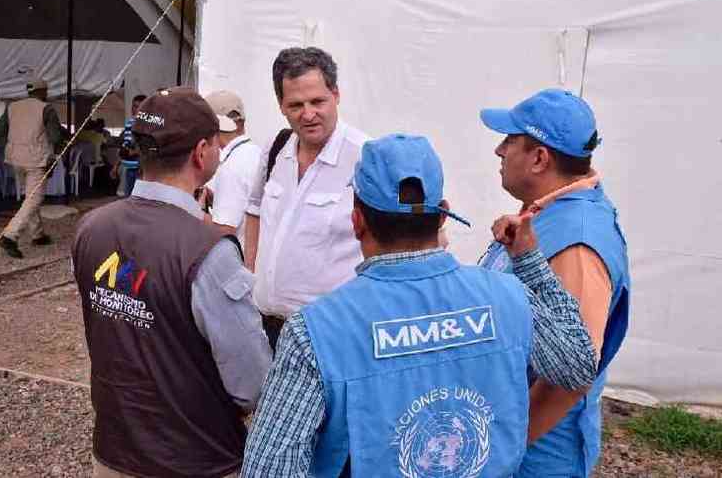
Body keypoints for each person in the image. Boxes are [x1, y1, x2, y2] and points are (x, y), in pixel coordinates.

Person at [242, 134, 598, 477]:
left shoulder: (316, 330)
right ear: (443, 214)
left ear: (357, 220)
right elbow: (578, 368)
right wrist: (530, 261)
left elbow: (269, 467)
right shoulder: (511, 296)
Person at [71, 88, 272, 478]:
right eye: (216, 143)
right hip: (196, 458)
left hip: (113, 452)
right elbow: (253, 383)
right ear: (202, 152)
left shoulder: (91, 228)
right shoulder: (209, 251)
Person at [478, 89, 630, 478]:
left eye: (510, 141)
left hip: (536, 453)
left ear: (540, 158)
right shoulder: (552, 211)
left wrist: (501, 447)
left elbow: (570, 376)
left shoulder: (577, 241)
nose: (499, 150)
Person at [244, 46, 369, 348]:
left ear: (336, 95)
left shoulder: (366, 156)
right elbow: (255, 210)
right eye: (296, 105)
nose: (309, 114)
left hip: (331, 336)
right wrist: (248, 277)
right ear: (281, 105)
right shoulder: (276, 148)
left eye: (318, 101)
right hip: (266, 329)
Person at [0, 78, 62, 259]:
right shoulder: (46, 108)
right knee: (34, 199)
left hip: (15, 159)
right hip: (36, 160)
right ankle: (10, 236)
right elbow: (55, 137)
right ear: (43, 91)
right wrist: (60, 143)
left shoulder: (12, 107)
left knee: (29, 198)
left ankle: (38, 234)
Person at [202, 90, 262, 248]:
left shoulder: (231, 167)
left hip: (237, 260)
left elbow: (224, 232)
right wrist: (215, 198)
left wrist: (196, 212)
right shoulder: (255, 153)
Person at [111, 94, 145, 196]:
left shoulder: (146, 124)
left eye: (139, 106)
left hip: (141, 169)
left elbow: (148, 147)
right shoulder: (129, 123)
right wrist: (115, 166)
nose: (135, 109)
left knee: (138, 202)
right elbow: (125, 145)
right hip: (128, 168)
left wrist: (135, 151)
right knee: (128, 199)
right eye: (134, 106)